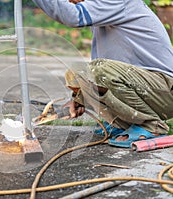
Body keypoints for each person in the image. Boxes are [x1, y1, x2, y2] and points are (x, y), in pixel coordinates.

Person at [32, 0, 173, 147]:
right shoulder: (104, 16)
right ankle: (120, 123)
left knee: (98, 69)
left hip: (164, 88)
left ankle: (152, 126)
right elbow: (106, 69)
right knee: (78, 72)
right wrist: (80, 99)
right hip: (147, 86)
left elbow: (72, 16)